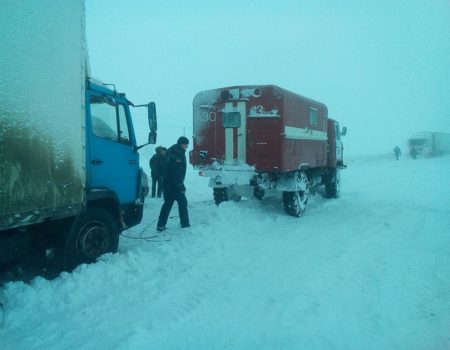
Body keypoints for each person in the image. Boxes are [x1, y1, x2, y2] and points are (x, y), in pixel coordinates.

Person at [157, 136, 190, 231]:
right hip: (174, 184)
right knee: (183, 202)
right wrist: (180, 185)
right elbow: (177, 171)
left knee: (168, 203)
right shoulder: (177, 153)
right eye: (186, 144)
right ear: (181, 144)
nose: (187, 146)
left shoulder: (172, 150)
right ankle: (185, 224)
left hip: (167, 183)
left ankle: (161, 225)